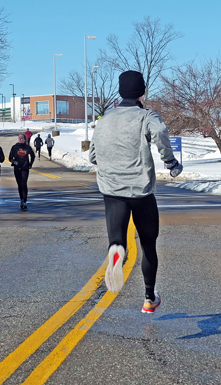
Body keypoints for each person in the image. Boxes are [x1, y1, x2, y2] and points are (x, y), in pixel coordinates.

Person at [88, 70, 183, 314]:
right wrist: (170, 162)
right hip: (141, 191)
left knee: (117, 238)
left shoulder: (104, 119)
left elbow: (93, 156)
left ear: (120, 92)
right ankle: (149, 298)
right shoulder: (146, 116)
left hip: (112, 190)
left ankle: (116, 250)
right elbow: (160, 132)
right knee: (148, 244)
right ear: (141, 91)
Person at [8, 133, 36, 210]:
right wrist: (15, 162)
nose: (20, 139)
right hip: (17, 168)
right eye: (19, 138)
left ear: (24, 139)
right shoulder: (14, 147)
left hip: (25, 168)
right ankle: (21, 199)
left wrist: (30, 163)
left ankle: (25, 201)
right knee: (20, 185)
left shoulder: (27, 147)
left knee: (24, 184)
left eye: (22, 138)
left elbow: (33, 156)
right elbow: (10, 158)